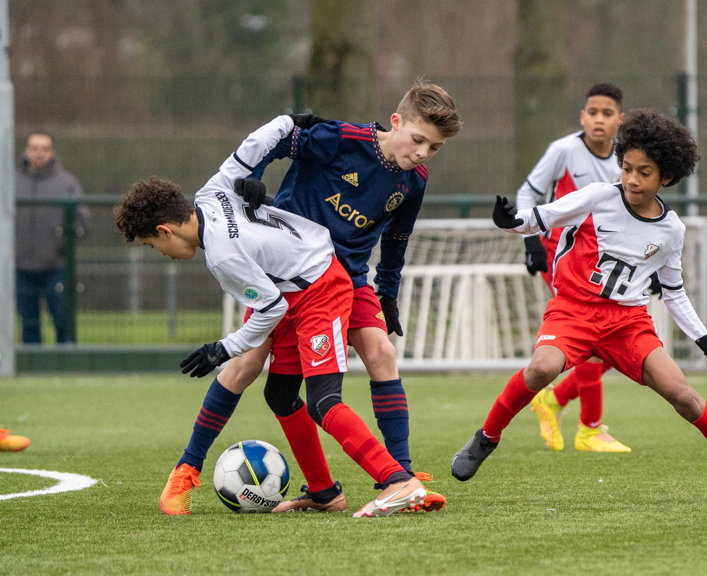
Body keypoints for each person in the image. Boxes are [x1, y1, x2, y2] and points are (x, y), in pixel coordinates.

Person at [451, 109, 707, 503]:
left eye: (644, 172)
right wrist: (510, 220)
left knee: (685, 397)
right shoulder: (598, 196)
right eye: (627, 167)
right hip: (572, 310)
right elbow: (540, 218)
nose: (631, 178)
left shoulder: (671, 230)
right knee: (541, 368)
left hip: (628, 323)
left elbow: (674, 292)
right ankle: (486, 438)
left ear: (667, 177)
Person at [115, 118, 427, 517]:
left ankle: (398, 479)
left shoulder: (224, 257)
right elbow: (259, 139)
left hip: (320, 287)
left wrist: (222, 347)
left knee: (324, 400)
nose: (161, 253)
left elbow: (271, 308)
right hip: (299, 281)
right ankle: (324, 493)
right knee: (279, 394)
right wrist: (294, 121)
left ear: (164, 230)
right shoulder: (211, 190)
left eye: (152, 245)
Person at [226, 78, 463, 512]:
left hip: (349, 277)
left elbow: (397, 239)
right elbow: (282, 140)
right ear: (396, 122)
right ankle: (318, 488)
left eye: (434, 148)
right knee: (259, 373)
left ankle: (401, 472)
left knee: (382, 354)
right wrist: (252, 180)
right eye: (418, 140)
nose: (423, 153)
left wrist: (387, 294)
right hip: (292, 271)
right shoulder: (344, 140)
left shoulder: (414, 181)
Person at [516, 82, 628, 453]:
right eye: (593, 112)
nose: (599, 120)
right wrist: (531, 240)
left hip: (603, 260)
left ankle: (556, 399)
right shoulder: (563, 150)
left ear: (619, 120)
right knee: (592, 339)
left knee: (618, 343)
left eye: (607, 113)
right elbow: (527, 193)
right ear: (582, 117)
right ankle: (590, 429)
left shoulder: (624, 161)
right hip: (561, 257)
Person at [15, 131, 90, 344]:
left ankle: (66, 366)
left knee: (62, 319)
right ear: (26, 151)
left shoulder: (68, 183)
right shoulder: (10, 181)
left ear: (52, 152)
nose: (40, 153)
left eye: (45, 148)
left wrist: (63, 244)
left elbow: (82, 219)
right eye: (35, 148)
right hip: (20, 267)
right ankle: (32, 369)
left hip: (56, 267)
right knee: (28, 322)